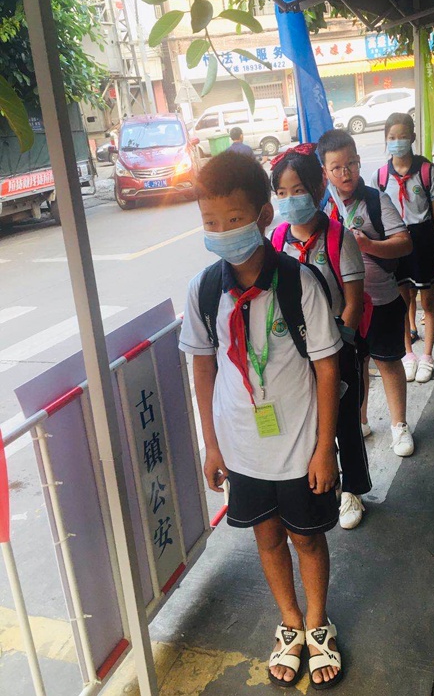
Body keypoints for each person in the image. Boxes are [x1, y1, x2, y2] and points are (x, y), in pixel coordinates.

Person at [179, 151, 344, 689]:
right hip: (242, 448)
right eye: (210, 222)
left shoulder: (300, 283)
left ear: (263, 216)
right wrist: (212, 444)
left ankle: (317, 624)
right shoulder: (205, 290)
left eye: (233, 219)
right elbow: (203, 366)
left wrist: (324, 448)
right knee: (267, 536)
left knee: (307, 539)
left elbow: (327, 366)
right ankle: (290, 623)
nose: (221, 231)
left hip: (299, 447)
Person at [269, 143, 371, 530]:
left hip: (336, 348)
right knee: (309, 423)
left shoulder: (339, 239)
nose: (289, 199)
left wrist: (337, 349)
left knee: (344, 423)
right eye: (282, 192)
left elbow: (354, 301)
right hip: (294, 354)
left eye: (297, 191)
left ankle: (353, 491)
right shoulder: (277, 240)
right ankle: (318, 481)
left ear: (317, 189)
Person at [317, 129, 415, 458]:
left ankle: (399, 425)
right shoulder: (322, 207)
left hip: (382, 299)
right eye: (337, 168)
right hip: (344, 306)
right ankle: (360, 421)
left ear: (359, 161)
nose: (345, 173)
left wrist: (368, 244)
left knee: (388, 362)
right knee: (355, 366)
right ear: (325, 171)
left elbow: (404, 242)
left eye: (351, 164)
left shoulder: (375, 200)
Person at [373, 113, 434, 384]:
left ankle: (427, 355)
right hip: (395, 241)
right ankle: (408, 354)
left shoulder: (427, 171)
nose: (397, 142)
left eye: (403, 137)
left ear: (413, 137)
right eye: (392, 137)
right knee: (403, 302)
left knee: (427, 300)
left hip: (423, 239)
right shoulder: (381, 176)